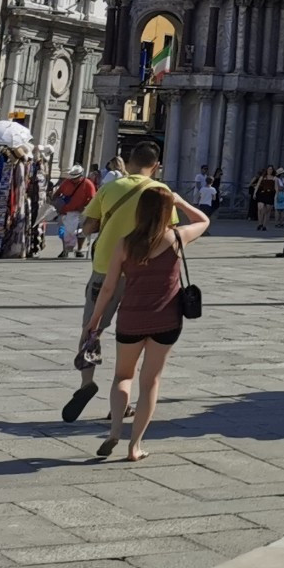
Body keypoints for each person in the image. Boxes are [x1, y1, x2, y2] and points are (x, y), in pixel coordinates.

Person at [83, 182, 210, 461]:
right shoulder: (177, 238)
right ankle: (135, 446)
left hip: (131, 318)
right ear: (166, 212)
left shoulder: (125, 244)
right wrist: (179, 202)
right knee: (150, 381)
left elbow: (107, 288)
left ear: (140, 211)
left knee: (122, 376)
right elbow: (204, 220)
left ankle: (115, 430)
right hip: (166, 319)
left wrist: (95, 321)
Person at [64, 144, 172, 425]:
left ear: (130, 162)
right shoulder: (162, 193)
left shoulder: (110, 188)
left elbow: (88, 227)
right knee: (134, 338)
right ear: (156, 166)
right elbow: (168, 232)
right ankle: (120, 404)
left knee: (92, 327)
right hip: (143, 274)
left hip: (104, 270)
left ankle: (87, 382)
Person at [52, 165, 97, 259]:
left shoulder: (88, 183)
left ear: (81, 175)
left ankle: (79, 249)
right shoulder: (66, 182)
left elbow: (93, 198)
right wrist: (55, 202)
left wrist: (85, 207)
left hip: (81, 212)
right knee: (65, 232)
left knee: (81, 232)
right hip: (66, 211)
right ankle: (65, 250)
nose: (73, 179)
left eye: (75, 177)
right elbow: (57, 193)